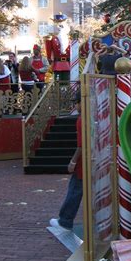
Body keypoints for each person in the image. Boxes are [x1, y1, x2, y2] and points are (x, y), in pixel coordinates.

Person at [50, 93, 83, 231]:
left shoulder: (82, 119)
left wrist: (73, 161)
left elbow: (81, 145)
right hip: (93, 160)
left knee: (75, 190)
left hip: (83, 164)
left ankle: (65, 220)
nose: (75, 105)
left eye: (76, 102)